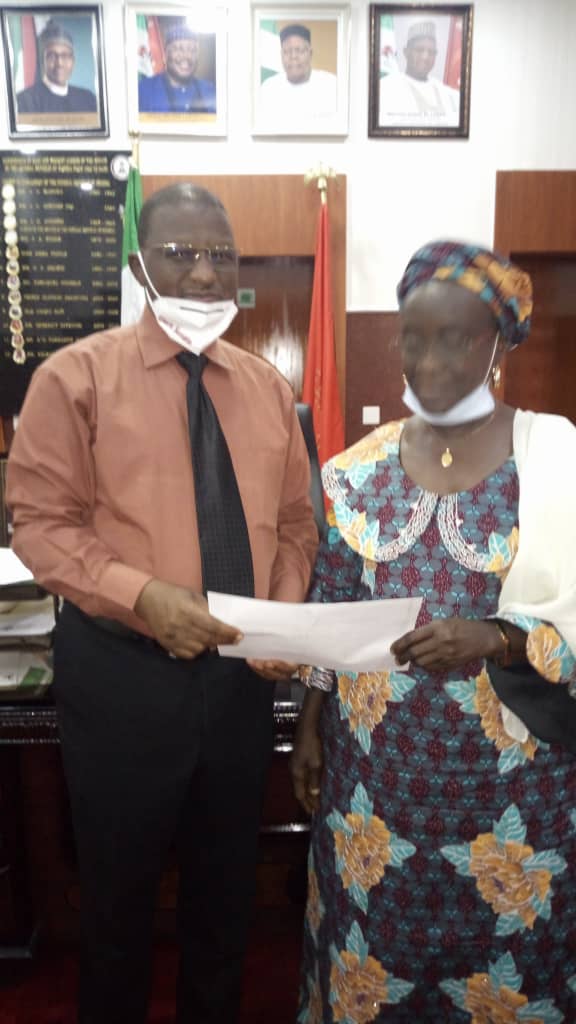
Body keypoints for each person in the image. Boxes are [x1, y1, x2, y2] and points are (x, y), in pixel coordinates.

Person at [6, 182, 318, 1024]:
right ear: (140, 265)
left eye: (222, 255)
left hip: (239, 685)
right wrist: (143, 596)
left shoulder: (269, 392)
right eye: (181, 253)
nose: (205, 273)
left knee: (226, 902)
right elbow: (40, 525)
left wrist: (281, 614)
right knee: (117, 909)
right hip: (123, 679)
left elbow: (296, 523)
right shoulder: (75, 378)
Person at [292, 241, 576, 1022]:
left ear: (499, 343)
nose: (428, 361)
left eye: (454, 339)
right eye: (412, 339)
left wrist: (497, 637)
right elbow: (332, 604)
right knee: (375, 966)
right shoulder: (355, 472)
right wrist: (309, 725)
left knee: (508, 980)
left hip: (514, 789)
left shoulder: (557, 459)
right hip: (374, 788)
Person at [379, 21, 460, 127]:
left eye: (431, 52)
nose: (425, 57)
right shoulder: (385, 88)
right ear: (406, 52)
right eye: (419, 50)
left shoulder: (447, 93)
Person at [16, 20, 97, 115]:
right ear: (42, 61)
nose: (59, 63)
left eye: (65, 56)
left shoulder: (88, 99)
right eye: (52, 56)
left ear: (73, 61)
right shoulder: (24, 101)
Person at [258, 24, 337, 121]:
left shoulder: (331, 85)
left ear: (310, 53)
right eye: (287, 51)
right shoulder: (268, 89)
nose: (293, 56)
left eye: (299, 50)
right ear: (281, 55)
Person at [138, 24, 216, 114]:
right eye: (178, 49)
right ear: (165, 54)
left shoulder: (210, 90)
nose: (186, 55)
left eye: (192, 50)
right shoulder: (143, 91)